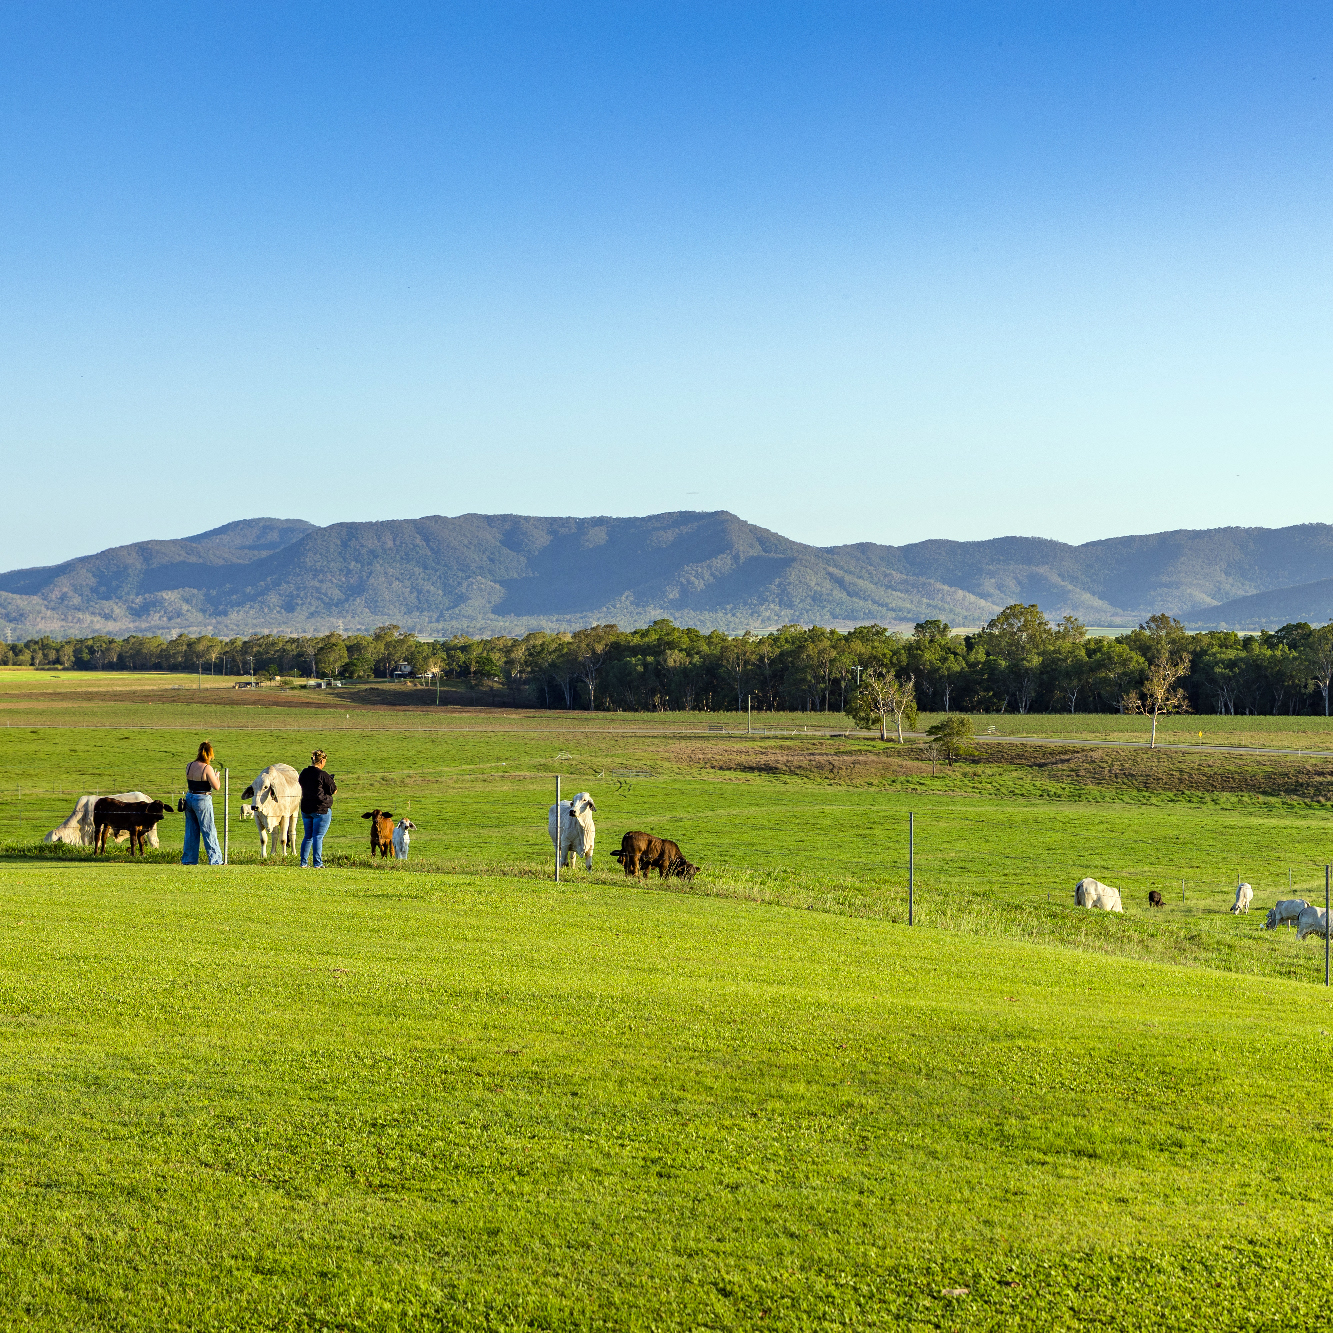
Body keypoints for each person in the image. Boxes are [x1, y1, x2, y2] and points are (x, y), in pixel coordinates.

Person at [182, 740, 223, 866]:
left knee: (191, 831)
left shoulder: (189, 765)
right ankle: (216, 860)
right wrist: (216, 777)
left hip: (189, 797)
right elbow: (216, 787)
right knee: (208, 830)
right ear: (209, 754)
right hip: (202, 799)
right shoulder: (207, 768)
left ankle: (189, 860)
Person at [298, 749, 337, 868]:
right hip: (321, 808)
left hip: (306, 808)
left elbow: (303, 784)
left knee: (308, 836)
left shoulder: (304, 773)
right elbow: (333, 790)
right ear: (322, 761)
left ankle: (303, 863)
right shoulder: (323, 774)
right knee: (318, 836)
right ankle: (317, 863)